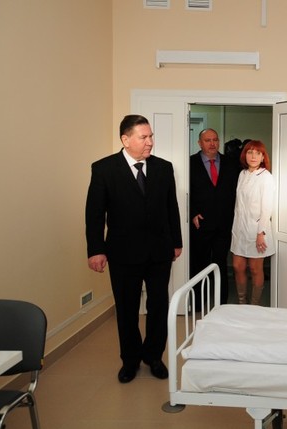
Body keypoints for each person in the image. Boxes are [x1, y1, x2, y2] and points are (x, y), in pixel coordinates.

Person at [85, 114, 183, 384]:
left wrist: (176, 242)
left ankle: (153, 356)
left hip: (159, 252)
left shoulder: (164, 168)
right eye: (144, 137)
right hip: (123, 254)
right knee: (127, 309)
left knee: (158, 306)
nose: (150, 142)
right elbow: (95, 213)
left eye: (151, 136)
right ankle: (130, 360)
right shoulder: (104, 169)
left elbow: (171, 207)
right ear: (125, 139)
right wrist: (96, 249)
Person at [189, 128, 240, 306]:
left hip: (224, 224)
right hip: (200, 224)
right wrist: (192, 212)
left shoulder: (231, 163)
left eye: (215, 140)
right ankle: (198, 303)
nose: (212, 143)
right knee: (199, 264)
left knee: (220, 264)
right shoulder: (190, 163)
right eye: (207, 140)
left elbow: (237, 192)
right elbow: (185, 192)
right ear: (199, 143)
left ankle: (221, 303)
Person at [230, 140, 276, 305]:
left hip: (257, 230)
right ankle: (242, 303)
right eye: (250, 152)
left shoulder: (266, 177)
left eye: (258, 153)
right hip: (239, 229)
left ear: (263, 157)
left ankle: (254, 306)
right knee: (237, 266)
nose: (253, 156)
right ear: (245, 155)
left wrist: (260, 233)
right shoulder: (242, 174)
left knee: (255, 269)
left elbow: (267, 208)